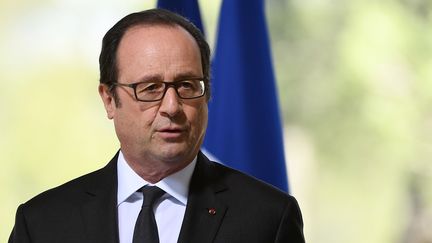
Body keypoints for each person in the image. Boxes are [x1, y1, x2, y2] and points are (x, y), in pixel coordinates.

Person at [9, 9, 305, 243]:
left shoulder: (269, 218)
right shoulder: (42, 223)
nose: (172, 106)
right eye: (150, 88)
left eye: (187, 85)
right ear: (109, 99)